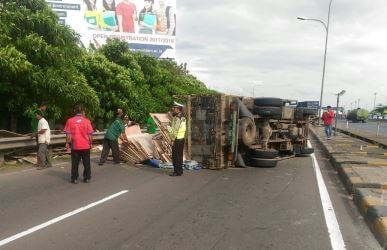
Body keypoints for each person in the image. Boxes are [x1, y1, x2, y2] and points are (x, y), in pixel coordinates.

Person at [64, 105, 94, 184]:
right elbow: (90, 135)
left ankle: (74, 178)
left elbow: (68, 135)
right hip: (85, 146)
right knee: (86, 162)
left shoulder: (70, 121)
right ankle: (87, 177)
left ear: (75, 111)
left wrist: (67, 143)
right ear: (82, 111)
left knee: (75, 163)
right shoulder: (87, 121)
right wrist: (91, 143)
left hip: (75, 146)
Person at [168, 102, 186, 176]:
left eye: (174, 108)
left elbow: (175, 130)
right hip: (181, 138)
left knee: (175, 157)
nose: (173, 109)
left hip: (177, 139)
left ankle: (176, 172)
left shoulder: (177, 118)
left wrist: (172, 139)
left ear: (178, 109)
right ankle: (180, 171)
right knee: (179, 156)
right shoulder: (183, 117)